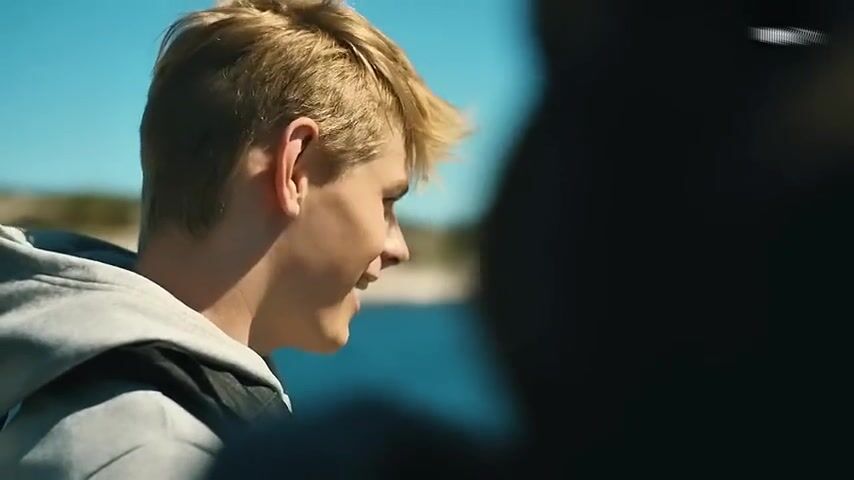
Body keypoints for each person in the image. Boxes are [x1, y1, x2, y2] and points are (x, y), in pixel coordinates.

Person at [0, 0, 467, 478]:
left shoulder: (113, 405)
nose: (398, 248)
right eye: (387, 202)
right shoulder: (159, 456)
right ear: (295, 170)